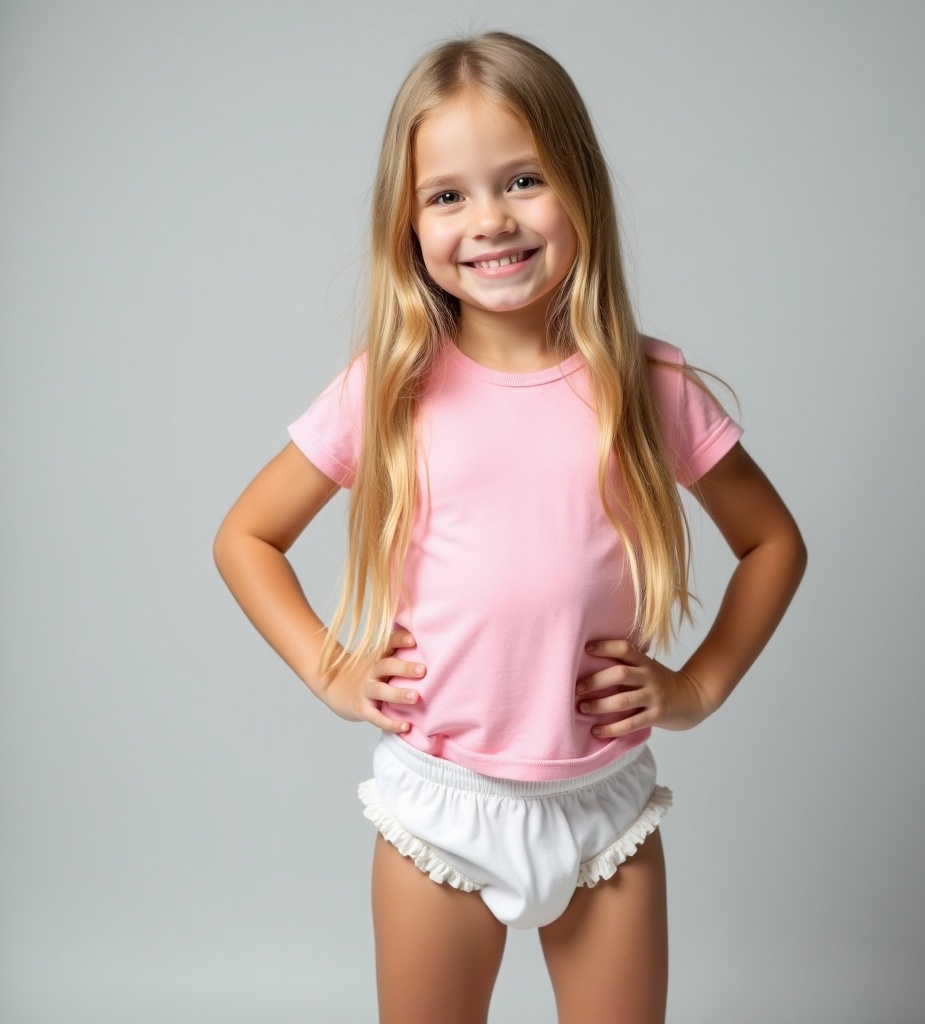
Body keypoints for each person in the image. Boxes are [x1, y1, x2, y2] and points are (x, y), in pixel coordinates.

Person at [214, 30, 806, 1024]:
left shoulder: (646, 386)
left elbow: (772, 541)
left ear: (580, 183)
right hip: (437, 810)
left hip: (603, 807)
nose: (490, 219)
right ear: (407, 221)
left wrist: (698, 685)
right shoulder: (389, 390)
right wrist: (331, 670)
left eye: (523, 179)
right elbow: (247, 536)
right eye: (448, 194)